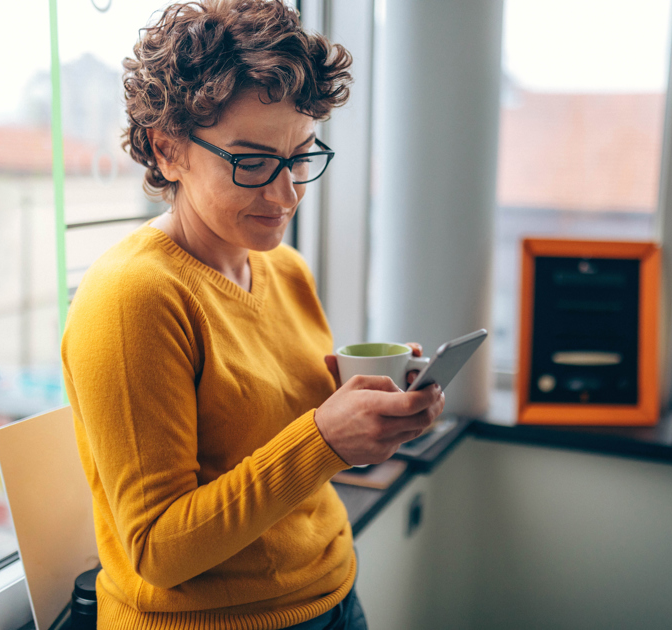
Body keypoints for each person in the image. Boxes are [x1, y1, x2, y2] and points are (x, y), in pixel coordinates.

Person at [61, 1, 445, 628]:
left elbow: (284, 447)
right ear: (167, 151)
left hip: (334, 594)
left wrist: (375, 418)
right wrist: (323, 439)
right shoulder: (133, 296)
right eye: (251, 162)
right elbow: (157, 551)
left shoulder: (283, 269)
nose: (286, 192)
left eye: (299, 156)